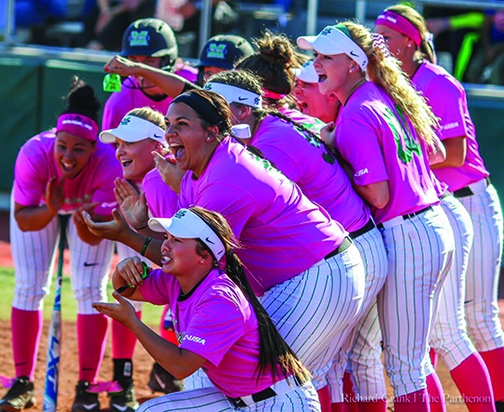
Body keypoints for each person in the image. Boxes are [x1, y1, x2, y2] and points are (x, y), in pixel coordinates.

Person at [83, 88, 366, 396]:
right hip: (310, 272)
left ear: (212, 132)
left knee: (272, 388)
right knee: (276, 384)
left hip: (315, 278)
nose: (171, 133)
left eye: (182, 124)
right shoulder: (204, 167)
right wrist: (132, 231)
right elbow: (186, 249)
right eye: (168, 124)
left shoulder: (222, 179)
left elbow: (193, 260)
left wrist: (127, 236)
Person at [204, 68, 388, 412]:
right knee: (329, 369)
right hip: (350, 247)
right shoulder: (268, 129)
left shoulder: (269, 144)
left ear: (243, 111)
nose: (210, 117)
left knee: (306, 372)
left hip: (343, 254)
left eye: (218, 108)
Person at [297, 22, 454, 412]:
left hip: (408, 235)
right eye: (315, 55)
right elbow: (431, 153)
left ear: (353, 64)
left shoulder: (357, 112)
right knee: (406, 364)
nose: (315, 63)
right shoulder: (374, 95)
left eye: (325, 57)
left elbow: (378, 194)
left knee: (404, 369)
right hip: (425, 226)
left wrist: (333, 164)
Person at [376, 5, 504, 410]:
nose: (380, 45)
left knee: (479, 319)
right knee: (432, 325)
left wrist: (399, 159)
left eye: (388, 38)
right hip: (439, 206)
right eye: (375, 37)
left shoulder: (438, 82)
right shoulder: (388, 83)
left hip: (470, 201)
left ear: (412, 43)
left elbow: (455, 152)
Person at [92, 206, 321, 411]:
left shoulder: (220, 299)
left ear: (204, 254)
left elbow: (181, 366)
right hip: (235, 400)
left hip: (280, 404)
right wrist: (123, 270)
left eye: (177, 240)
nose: (165, 246)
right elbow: (126, 290)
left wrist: (133, 322)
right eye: (166, 237)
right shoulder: (176, 280)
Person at [0, 79, 121, 412]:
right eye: (62, 146)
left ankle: (86, 388)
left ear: (92, 148)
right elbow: (24, 219)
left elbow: (94, 236)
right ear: (54, 141)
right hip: (40, 208)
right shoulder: (34, 154)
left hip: (86, 215)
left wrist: (83, 219)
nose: (68, 156)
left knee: (90, 291)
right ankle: (22, 384)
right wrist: (53, 207)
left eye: (78, 149)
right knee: (28, 287)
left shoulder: (108, 164)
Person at [99, 107, 181, 409]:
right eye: (117, 144)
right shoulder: (157, 179)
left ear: (158, 146)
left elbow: (181, 257)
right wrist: (142, 227)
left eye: (129, 143)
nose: (120, 150)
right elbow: (176, 249)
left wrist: (131, 233)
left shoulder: (157, 181)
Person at [102, 17, 198, 131]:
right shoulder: (119, 100)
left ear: (168, 60)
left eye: (149, 61)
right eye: (133, 61)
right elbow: (109, 145)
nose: (139, 71)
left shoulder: (194, 80)